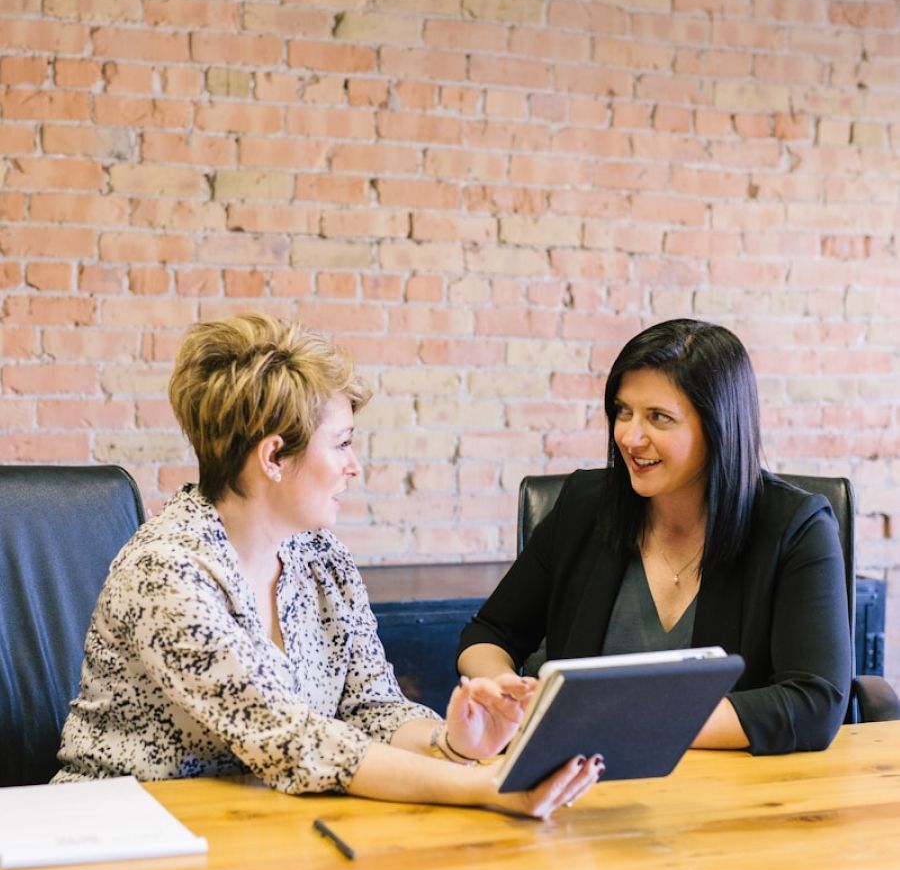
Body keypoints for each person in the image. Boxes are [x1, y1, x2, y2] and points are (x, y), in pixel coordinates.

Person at [54, 313, 602, 818]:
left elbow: (372, 707)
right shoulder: (167, 571)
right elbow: (293, 740)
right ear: (273, 457)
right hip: (118, 832)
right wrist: (485, 787)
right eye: (341, 444)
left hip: (262, 824)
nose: (354, 467)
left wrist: (454, 743)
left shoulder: (321, 557)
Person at [458, 318, 851, 755]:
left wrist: (620, 722)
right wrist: (503, 690)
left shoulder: (796, 526)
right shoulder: (584, 506)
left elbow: (814, 702)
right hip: (580, 783)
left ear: (718, 426)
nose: (630, 436)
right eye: (623, 412)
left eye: (659, 418)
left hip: (732, 791)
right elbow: (488, 633)